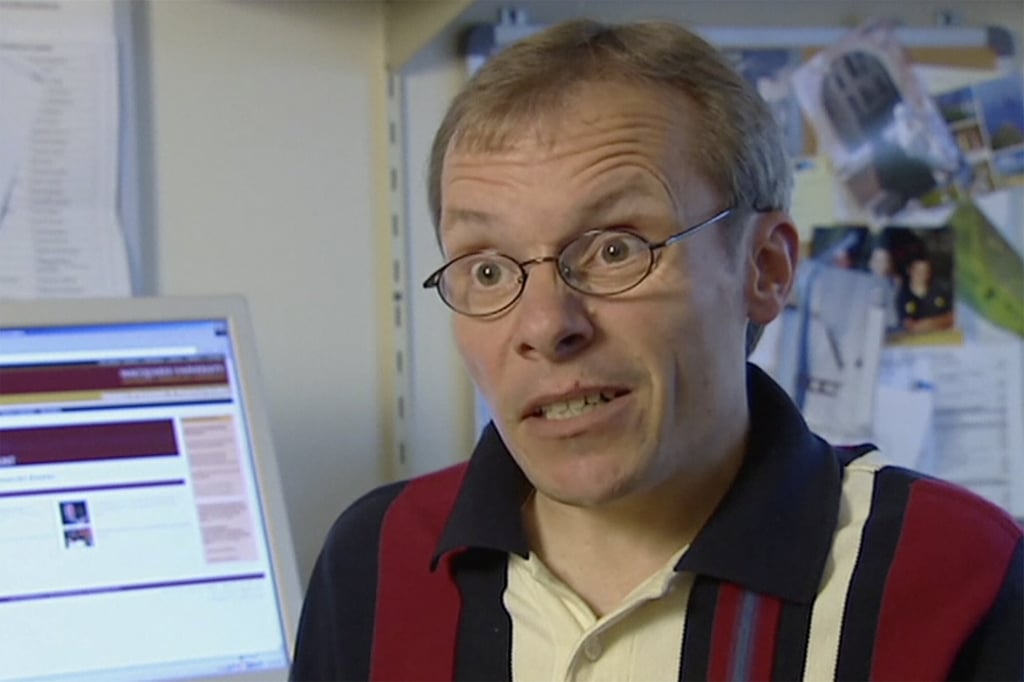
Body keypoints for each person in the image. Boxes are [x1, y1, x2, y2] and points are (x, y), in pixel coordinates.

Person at [291, 19, 1022, 682]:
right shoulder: (376, 561)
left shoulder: (965, 575)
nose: (545, 325)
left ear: (764, 270)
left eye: (616, 248)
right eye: (486, 268)